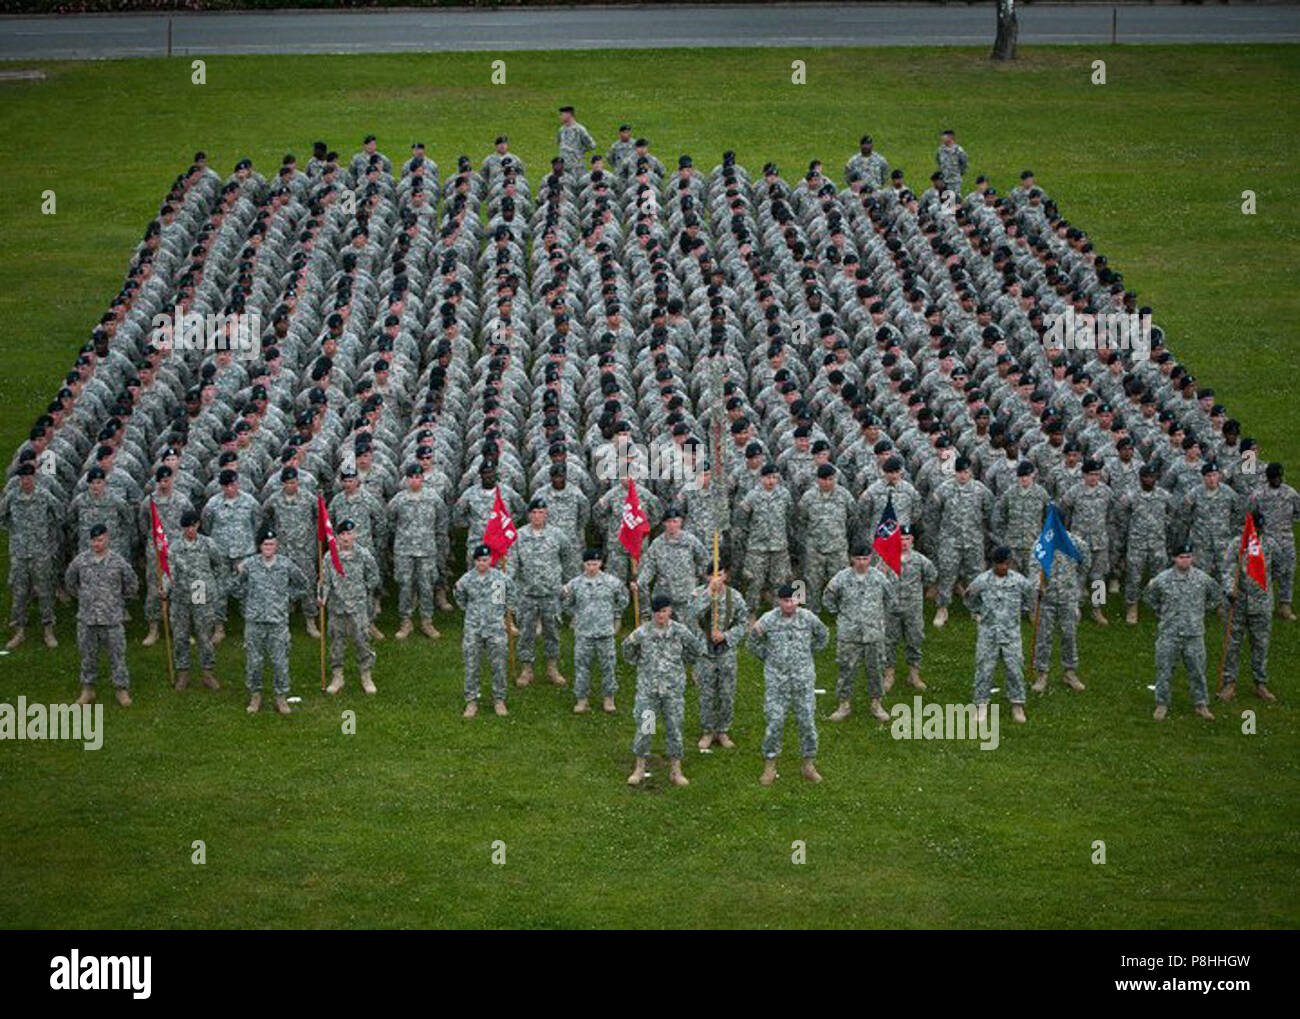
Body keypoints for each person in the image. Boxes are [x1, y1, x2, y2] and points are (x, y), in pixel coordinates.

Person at [749, 583, 830, 785]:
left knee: (807, 723)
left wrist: (808, 655)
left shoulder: (808, 618)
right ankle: (770, 765)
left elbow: (823, 636)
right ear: (779, 601)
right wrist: (768, 658)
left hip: (803, 680)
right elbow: (752, 642)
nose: (789, 604)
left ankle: (808, 764)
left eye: (793, 600)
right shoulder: (768, 620)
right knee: (774, 722)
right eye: (785, 600)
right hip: (777, 680)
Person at [622, 594, 704, 787]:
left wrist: (682, 665)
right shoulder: (642, 632)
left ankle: (676, 770)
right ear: (653, 612)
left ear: (670, 611)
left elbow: (696, 649)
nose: (661, 615)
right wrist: (641, 665)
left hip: (672, 691)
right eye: (657, 611)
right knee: (646, 729)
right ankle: (640, 768)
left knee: (674, 728)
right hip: (649, 691)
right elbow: (627, 650)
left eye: (664, 611)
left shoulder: (680, 631)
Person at [231, 524, 309, 716]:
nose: (268, 547)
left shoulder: (285, 564)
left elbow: (304, 584)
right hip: (254, 621)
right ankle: (255, 695)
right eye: (265, 544)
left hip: (278, 621)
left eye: (272, 544)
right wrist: (241, 579)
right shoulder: (249, 564)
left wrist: (286, 597)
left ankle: (281, 697)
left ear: (276, 546)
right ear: (260, 546)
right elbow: (233, 588)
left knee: (280, 661)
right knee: (254, 661)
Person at [1143, 543, 1222, 721]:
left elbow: (1216, 596)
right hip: (1169, 633)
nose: (1185, 560)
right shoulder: (1162, 579)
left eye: (1188, 556)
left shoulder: (1203, 579)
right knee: (1164, 670)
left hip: (1194, 634)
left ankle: (1201, 704)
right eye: (1181, 557)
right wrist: (1163, 613)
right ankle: (1161, 704)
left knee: (1198, 671)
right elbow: (1149, 597)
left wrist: (1200, 612)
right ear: (1174, 559)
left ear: (1193, 558)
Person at [66, 523, 138, 707]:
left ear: (107, 539)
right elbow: (70, 582)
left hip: (112, 619)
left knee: (117, 656)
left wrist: (118, 602)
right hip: (87, 619)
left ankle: (121, 689)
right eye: (93, 540)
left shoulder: (118, 562)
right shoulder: (80, 561)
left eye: (100, 540)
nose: (96, 544)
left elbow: (131, 584)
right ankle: (88, 690)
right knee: (87, 656)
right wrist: (84, 598)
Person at [823, 546, 895, 722]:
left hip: (873, 633)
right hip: (849, 633)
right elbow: (828, 598)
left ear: (870, 558)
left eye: (865, 559)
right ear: (852, 559)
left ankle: (876, 704)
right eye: (858, 559)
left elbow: (890, 599)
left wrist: (877, 617)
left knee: (876, 669)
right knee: (846, 669)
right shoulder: (841, 578)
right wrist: (842, 615)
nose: (862, 562)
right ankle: (843, 705)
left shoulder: (879, 578)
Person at [965, 546, 1036, 724]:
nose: (1003, 567)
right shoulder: (982, 581)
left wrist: (1024, 611)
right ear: (994, 564)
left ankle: (1017, 704)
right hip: (988, 633)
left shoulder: (1019, 581)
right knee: (984, 669)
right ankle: (981, 705)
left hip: (1011, 633)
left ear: (1010, 563)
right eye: (999, 564)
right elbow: (969, 598)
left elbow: (1031, 597)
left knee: (1014, 668)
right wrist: (980, 613)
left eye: (1005, 564)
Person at [509, 496, 574, 687]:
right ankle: (526, 669)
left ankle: (552, 668)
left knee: (552, 631)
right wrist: (508, 580)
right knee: (526, 632)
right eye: (534, 513)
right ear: (529, 515)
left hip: (551, 593)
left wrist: (567, 583)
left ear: (546, 514)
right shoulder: (519, 536)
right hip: (527, 593)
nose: (537, 516)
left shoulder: (557, 535)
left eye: (541, 513)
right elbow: (512, 562)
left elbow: (568, 557)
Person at [1, 462, 63, 649]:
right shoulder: (12, 497)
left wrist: (47, 536)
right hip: (19, 553)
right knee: (19, 592)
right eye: (23, 478)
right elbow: (2, 517)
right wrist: (14, 533)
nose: (26, 481)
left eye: (29, 477)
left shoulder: (44, 495)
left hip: (40, 552)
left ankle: (48, 630)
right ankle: (18, 631)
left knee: (44, 591)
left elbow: (59, 515)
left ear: (34, 477)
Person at [561, 548, 629, 715]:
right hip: (584, 633)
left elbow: (623, 599)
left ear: (601, 563)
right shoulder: (575, 583)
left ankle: (608, 698)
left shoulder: (612, 582)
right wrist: (576, 614)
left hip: (605, 632)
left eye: (595, 563)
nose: (592, 567)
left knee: (608, 666)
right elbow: (567, 604)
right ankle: (582, 699)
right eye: (589, 564)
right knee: (582, 667)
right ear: (583, 564)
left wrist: (614, 615)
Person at [689, 558, 748, 749]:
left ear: (726, 576)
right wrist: (709, 596)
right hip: (704, 650)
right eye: (713, 575)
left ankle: (722, 730)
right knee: (706, 692)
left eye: (720, 575)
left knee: (726, 692)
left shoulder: (735, 597)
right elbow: (692, 616)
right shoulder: (698, 593)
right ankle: (707, 730)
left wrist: (726, 636)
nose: (717, 579)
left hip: (726, 651)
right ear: (707, 577)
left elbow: (743, 622)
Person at [321, 520, 382, 695]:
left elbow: (374, 576)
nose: (346, 538)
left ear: (355, 535)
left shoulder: (363, 554)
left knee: (362, 641)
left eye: (349, 534)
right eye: (342, 534)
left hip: (357, 607)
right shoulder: (329, 556)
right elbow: (325, 580)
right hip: (337, 607)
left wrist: (363, 591)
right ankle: (337, 676)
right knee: (336, 643)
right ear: (337, 537)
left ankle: (366, 675)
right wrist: (322, 597)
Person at [455, 544, 515, 719]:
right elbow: (460, 598)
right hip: (473, 628)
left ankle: (499, 699)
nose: (482, 563)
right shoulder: (467, 579)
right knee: (472, 664)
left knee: (498, 664)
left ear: (491, 560)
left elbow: (509, 597)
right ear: (475, 561)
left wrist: (504, 613)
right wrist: (472, 613)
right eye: (479, 560)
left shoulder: (499, 579)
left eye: (486, 560)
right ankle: (471, 701)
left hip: (495, 627)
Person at [167, 509, 223, 691]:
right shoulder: (175, 547)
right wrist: (164, 588)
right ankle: (183, 673)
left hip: (200, 592)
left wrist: (211, 584)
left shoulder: (208, 544)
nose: (190, 530)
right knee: (180, 635)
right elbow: (169, 571)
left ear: (198, 525)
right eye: (186, 527)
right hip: (181, 595)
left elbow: (218, 565)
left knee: (203, 635)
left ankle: (207, 673)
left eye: (193, 526)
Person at [1219, 527, 1276, 703]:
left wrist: (1264, 588)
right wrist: (1230, 590)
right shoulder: (1237, 544)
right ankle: (1229, 684)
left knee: (1260, 644)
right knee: (1232, 644)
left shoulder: (1270, 544)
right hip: (1238, 603)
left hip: (1261, 604)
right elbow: (1226, 569)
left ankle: (1260, 683)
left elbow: (1281, 567)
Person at [1032, 527, 1090, 693]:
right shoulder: (1041, 543)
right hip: (1047, 598)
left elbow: (1085, 564)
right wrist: (1038, 584)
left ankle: (1070, 672)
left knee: (1069, 635)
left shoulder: (1076, 543)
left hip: (1068, 597)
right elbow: (1033, 566)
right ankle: (1042, 673)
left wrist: (1077, 585)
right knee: (1043, 636)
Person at [883, 526, 935, 693]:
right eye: (900, 539)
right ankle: (889, 674)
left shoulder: (920, 560)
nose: (904, 543)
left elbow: (932, 576)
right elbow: (877, 579)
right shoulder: (886, 559)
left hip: (913, 609)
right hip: (891, 608)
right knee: (889, 641)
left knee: (915, 639)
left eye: (907, 539)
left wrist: (919, 592)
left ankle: (914, 674)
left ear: (912, 540)